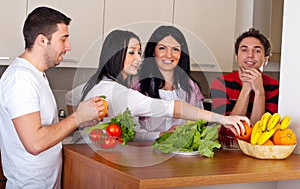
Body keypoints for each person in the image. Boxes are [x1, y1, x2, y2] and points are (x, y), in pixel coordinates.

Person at [0, 6, 105, 189]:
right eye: (63, 39)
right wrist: (77, 118)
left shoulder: (37, 75)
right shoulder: (20, 79)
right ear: (42, 40)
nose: (68, 46)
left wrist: (82, 120)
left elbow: (48, 132)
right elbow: (35, 143)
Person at [76, 29, 249, 142]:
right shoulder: (117, 91)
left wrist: (161, 135)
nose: (138, 58)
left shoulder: (106, 85)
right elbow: (172, 108)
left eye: (138, 52)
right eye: (131, 53)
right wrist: (223, 119)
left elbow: (133, 132)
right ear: (114, 55)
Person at [132, 25, 205, 140]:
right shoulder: (138, 86)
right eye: (162, 48)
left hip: (181, 154)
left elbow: (199, 124)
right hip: (146, 153)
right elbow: (131, 132)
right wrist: (161, 136)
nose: (169, 55)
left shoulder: (191, 87)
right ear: (153, 52)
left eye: (175, 49)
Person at [210, 28, 279, 124]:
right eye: (244, 50)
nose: (250, 55)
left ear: (266, 59)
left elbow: (261, 130)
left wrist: (259, 92)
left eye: (257, 51)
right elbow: (228, 129)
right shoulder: (220, 83)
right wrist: (246, 88)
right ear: (236, 57)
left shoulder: (276, 88)